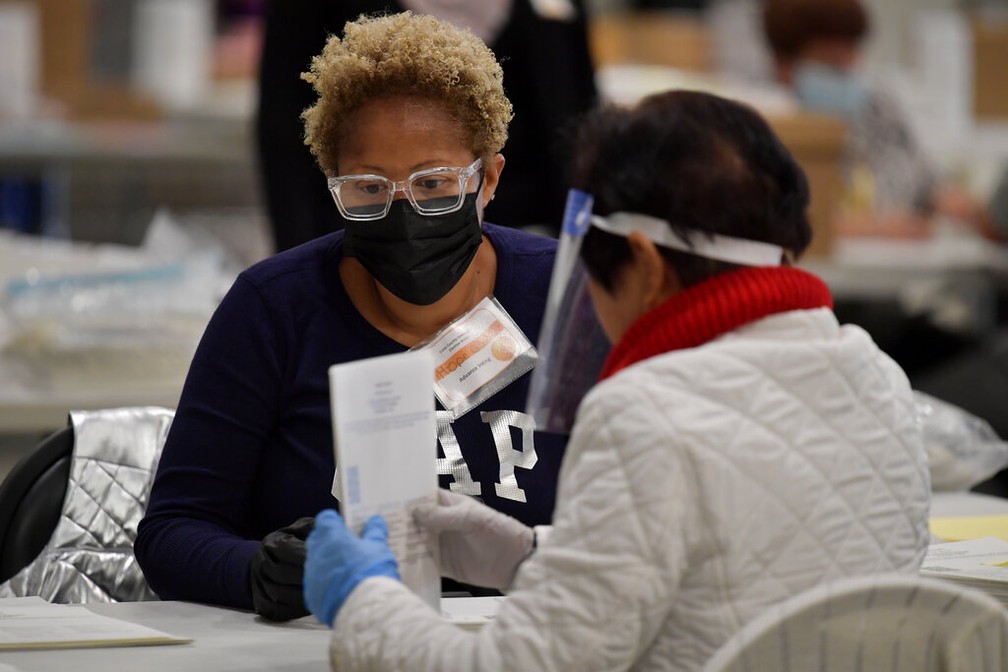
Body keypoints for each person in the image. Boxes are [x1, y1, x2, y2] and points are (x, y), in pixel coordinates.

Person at [300, 89, 932, 671]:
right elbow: (744, 572)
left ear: (647, 267)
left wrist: (364, 602)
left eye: (598, 274)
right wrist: (528, 555)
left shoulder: (643, 412)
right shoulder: (875, 374)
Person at [135, 12, 568, 621]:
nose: (405, 213)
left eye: (435, 184)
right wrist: (257, 571)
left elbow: (646, 517)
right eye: (367, 188)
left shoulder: (565, 297)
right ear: (331, 186)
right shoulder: (275, 308)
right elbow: (173, 532)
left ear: (489, 179)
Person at [255, 0, 597, 251]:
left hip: (526, 232)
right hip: (372, 240)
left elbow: (579, 119)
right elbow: (284, 130)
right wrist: (303, 261)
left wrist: (583, 256)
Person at [762, 0, 996, 239]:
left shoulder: (876, 106)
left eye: (851, 54)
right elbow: (771, 221)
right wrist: (869, 227)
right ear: (783, 64)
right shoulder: (768, 124)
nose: (847, 69)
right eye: (830, 63)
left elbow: (925, 180)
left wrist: (947, 199)